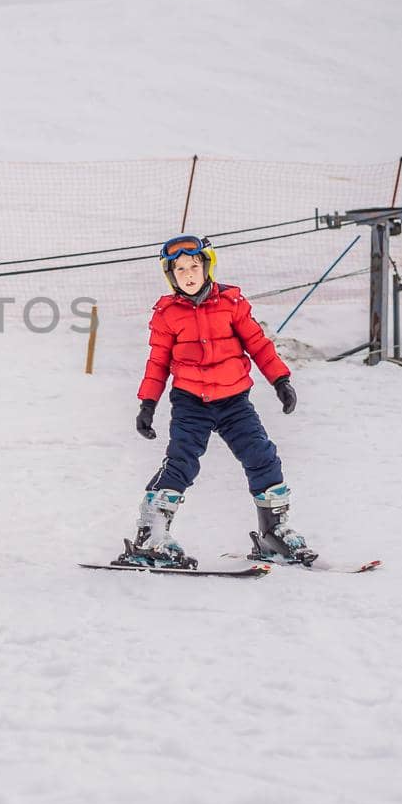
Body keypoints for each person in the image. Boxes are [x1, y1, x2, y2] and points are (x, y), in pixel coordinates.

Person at [118, 234, 312, 567]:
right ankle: (151, 535)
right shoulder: (167, 315)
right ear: (171, 275)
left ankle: (273, 534)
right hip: (190, 403)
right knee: (181, 462)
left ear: (207, 266)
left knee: (262, 457)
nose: (188, 274)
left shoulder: (232, 304)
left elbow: (259, 345)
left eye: (193, 266)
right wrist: (147, 405)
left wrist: (281, 380)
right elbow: (158, 363)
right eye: (179, 270)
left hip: (234, 402)